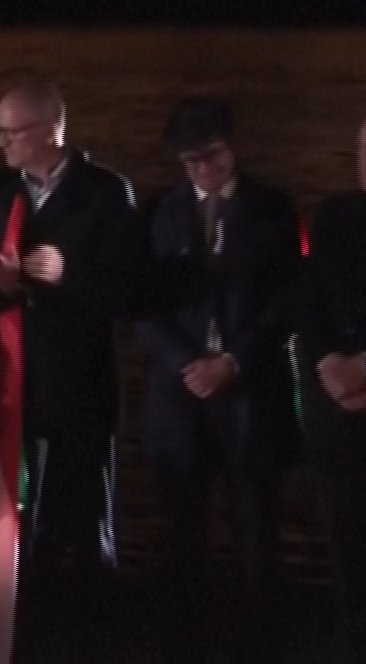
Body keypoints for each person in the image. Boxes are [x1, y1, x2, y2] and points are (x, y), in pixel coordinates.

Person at [0, 80, 143, 656]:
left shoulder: (108, 195)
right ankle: (23, 642)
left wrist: (72, 277)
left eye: (13, 132)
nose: (2, 142)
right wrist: (1, 288)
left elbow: (132, 297)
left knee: (85, 527)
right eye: (0, 129)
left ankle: (90, 642)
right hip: (11, 386)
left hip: (81, 389)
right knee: (17, 533)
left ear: (50, 131)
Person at [136, 98, 299, 663]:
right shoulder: (160, 211)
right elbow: (142, 305)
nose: (205, 171)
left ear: (232, 150)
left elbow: (285, 302)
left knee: (257, 526)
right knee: (181, 530)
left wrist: (234, 360)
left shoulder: (273, 208)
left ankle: (262, 643)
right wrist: (188, 362)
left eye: (213, 157)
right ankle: (182, 643)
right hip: (178, 397)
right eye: (192, 162)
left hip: (249, 390)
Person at [295, 114, 366, 664]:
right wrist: (330, 365)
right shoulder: (338, 214)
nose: (363, 161)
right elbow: (312, 299)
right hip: (339, 407)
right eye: (361, 149)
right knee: (347, 542)